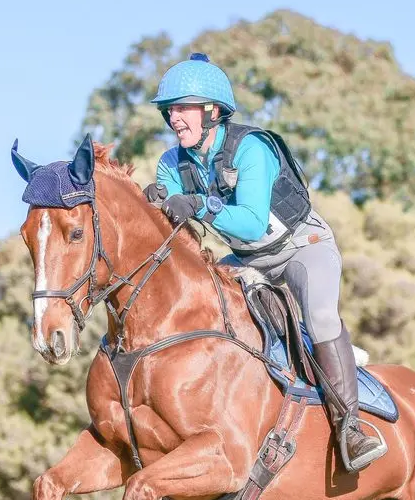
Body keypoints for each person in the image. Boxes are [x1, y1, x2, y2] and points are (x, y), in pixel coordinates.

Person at [146, 53, 386, 474]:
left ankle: (350, 425)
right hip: (246, 261)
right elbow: (172, 221)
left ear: (212, 110)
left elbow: (254, 223)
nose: (174, 118)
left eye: (183, 108)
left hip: (301, 248)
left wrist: (199, 203)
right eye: (171, 110)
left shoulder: (251, 147)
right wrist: (152, 206)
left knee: (322, 317)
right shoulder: (172, 163)